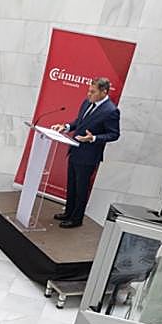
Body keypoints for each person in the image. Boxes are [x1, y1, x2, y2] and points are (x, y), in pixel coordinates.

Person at [54, 76, 121, 228]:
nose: (88, 94)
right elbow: (79, 121)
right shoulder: (87, 103)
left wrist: (94, 138)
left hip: (89, 155)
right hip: (75, 150)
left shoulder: (111, 111)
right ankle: (68, 212)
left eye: (92, 92)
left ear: (104, 92)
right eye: (88, 91)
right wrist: (65, 127)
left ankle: (76, 219)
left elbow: (114, 134)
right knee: (71, 184)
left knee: (81, 188)